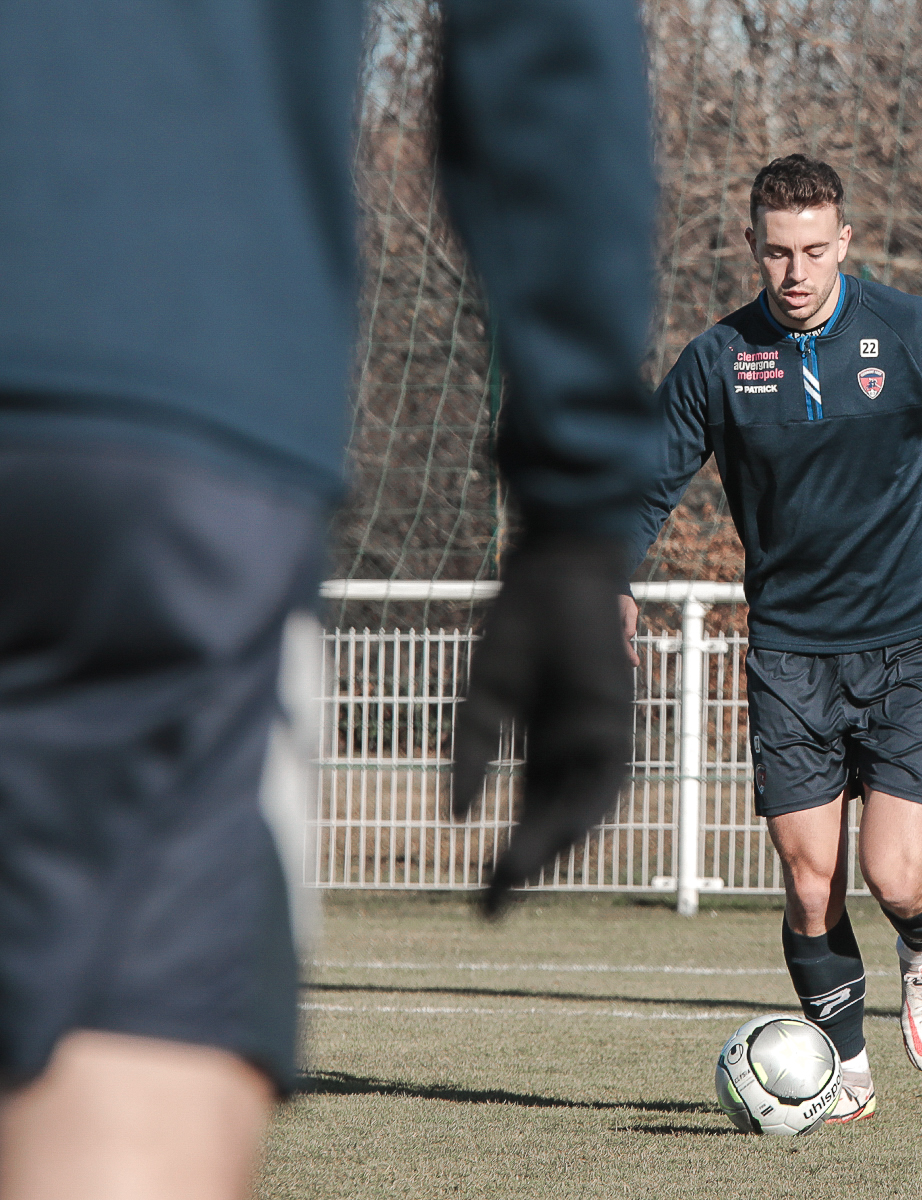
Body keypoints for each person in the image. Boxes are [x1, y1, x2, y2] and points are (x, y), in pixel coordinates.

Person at [0, 1, 658, 1196]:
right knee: (129, 1075)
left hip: (158, 394)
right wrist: (576, 498)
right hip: (158, 381)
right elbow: (544, 35)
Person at [622, 154, 922, 1122]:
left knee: (894, 875)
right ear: (751, 246)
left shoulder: (912, 333)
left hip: (910, 646)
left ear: (844, 242)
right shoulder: (720, 360)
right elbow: (644, 480)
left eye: (815, 250)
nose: (796, 272)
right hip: (789, 655)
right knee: (810, 886)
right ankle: (844, 1071)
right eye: (778, 252)